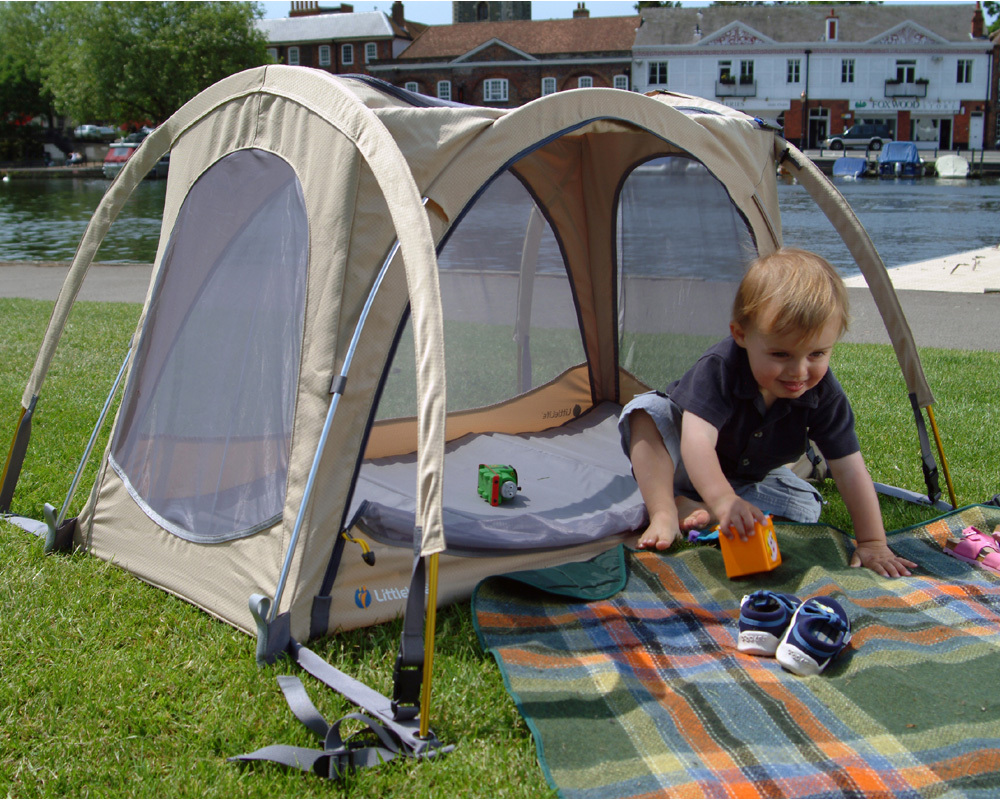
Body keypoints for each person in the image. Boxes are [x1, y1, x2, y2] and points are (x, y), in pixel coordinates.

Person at [619, 247, 916, 578]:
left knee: (806, 506)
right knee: (645, 412)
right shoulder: (721, 368)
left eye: (817, 353)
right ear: (742, 335)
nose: (799, 372)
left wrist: (873, 541)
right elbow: (697, 441)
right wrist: (724, 500)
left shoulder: (823, 396)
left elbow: (849, 469)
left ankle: (696, 508)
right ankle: (664, 509)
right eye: (781, 354)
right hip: (682, 462)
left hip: (748, 479)